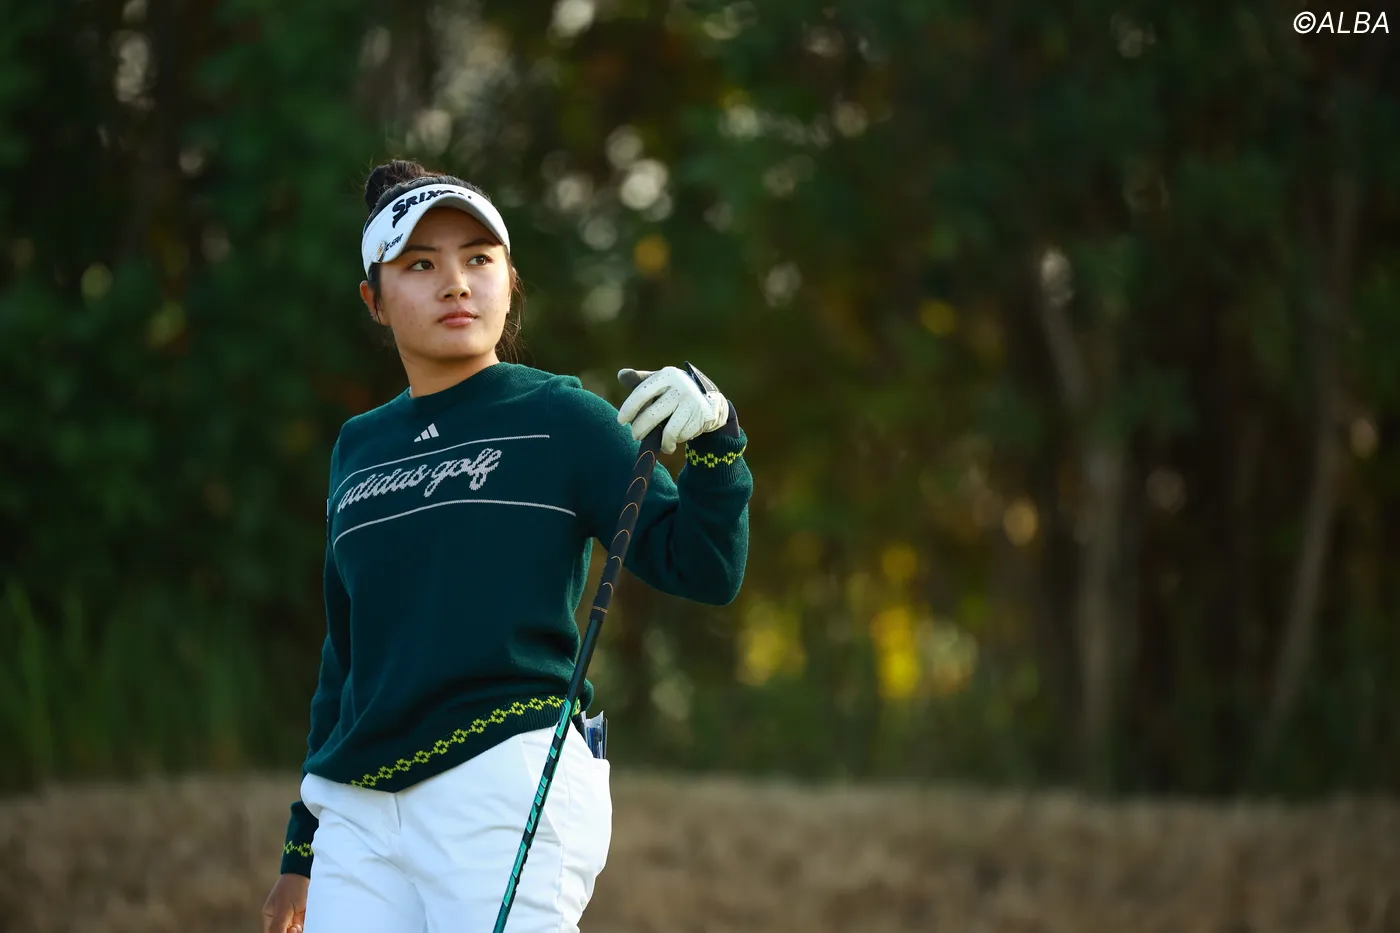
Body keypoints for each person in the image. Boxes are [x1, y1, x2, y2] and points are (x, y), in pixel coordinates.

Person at [260, 159, 752, 933]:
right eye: (421, 265)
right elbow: (347, 655)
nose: (456, 284)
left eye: (479, 259)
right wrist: (302, 846)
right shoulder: (359, 445)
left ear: (510, 280)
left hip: (504, 778)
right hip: (358, 811)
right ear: (374, 300)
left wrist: (719, 444)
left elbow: (705, 567)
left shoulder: (564, 417)